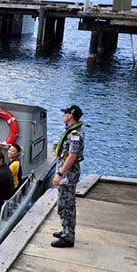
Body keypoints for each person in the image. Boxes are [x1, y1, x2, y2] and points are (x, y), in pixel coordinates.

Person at [51, 105, 85, 248]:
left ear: (71, 115)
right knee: (62, 204)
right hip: (66, 173)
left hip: (68, 175)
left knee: (67, 205)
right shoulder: (70, 132)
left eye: (65, 113)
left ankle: (68, 237)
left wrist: (60, 174)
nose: (63, 115)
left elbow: (72, 156)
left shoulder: (75, 134)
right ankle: (65, 229)